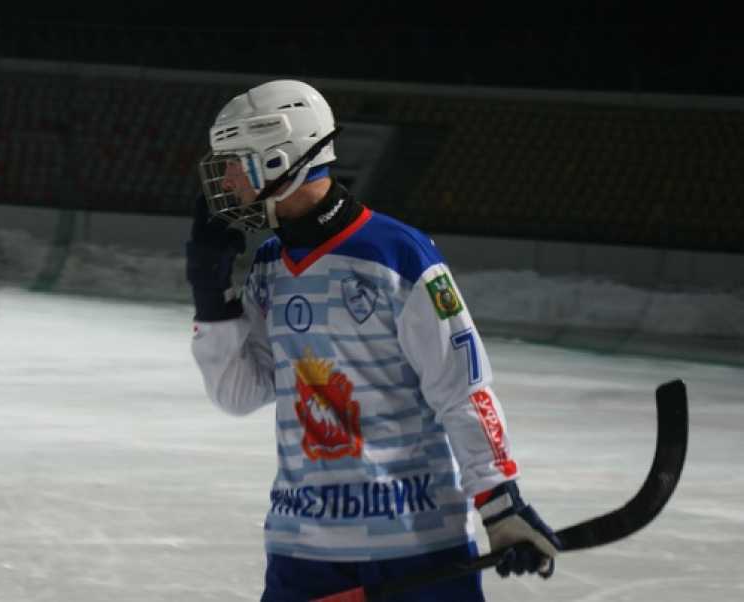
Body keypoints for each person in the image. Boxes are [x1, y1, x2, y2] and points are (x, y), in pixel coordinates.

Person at [186, 79, 560, 601]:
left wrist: (499, 503)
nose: (226, 179)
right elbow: (239, 394)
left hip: (416, 545)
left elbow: (462, 389)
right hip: (303, 550)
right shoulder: (271, 264)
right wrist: (212, 299)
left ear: (278, 161)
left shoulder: (398, 254)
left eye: (235, 163)